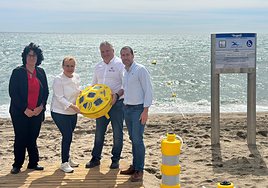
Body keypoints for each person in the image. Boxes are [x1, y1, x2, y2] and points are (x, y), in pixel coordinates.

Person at [8, 43, 49, 174]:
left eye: (34, 55)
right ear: (25, 57)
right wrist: (25, 109)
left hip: (37, 112)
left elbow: (46, 92)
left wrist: (41, 107)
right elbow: (13, 93)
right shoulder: (18, 72)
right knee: (20, 138)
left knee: (32, 138)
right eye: (29, 55)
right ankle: (17, 164)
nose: (31, 58)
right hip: (20, 112)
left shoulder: (41, 72)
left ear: (38, 58)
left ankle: (33, 163)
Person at [85, 41, 124, 169]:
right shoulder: (98, 66)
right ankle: (96, 158)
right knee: (99, 132)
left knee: (117, 133)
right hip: (100, 106)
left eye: (107, 51)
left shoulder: (120, 64)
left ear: (113, 51)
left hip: (117, 103)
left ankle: (115, 159)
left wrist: (117, 96)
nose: (105, 54)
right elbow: (93, 86)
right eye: (102, 52)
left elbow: (125, 85)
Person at [119, 46, 153, 182]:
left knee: (138, 140)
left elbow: (148, 91)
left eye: (127, 55)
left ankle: (140, 170)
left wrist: (145, 111)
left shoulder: (141, 70)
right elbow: (125, 89)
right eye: (123, 55)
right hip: (126, 109)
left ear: (133, 56)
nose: (125, 57)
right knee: (133, 138)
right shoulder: (124, 71)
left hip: (138, 110)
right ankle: (134, 166)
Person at [51, 57, 82, 173]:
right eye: (67, 66)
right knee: (67, 135)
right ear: (63, 66)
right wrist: (73, 106)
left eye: (72, 66)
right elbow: (59, 97)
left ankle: (68, 158)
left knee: (69, 135)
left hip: (73, 111)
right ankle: (64, 163)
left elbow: (78, 92)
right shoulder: (58, 79)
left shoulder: (77, 77)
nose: (70, 68)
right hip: (59, 111)